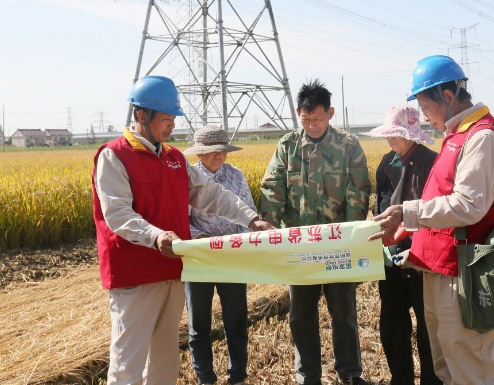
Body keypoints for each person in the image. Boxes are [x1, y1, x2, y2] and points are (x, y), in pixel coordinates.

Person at [92, 75, 273, 385]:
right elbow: (117, 213)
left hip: (172, 271)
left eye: (173, 118)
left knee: (164, 361)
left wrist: (250, 218)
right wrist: (155, 235)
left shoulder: (174, 158)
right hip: (134, 277)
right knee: (128, 365)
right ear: (141, 116)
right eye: (166, 119)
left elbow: (210, 194)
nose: (171, 125)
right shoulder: (114, 156)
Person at [371, 55, 494, 385]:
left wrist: (408, 214)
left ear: (448, 97)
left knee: (471, 369)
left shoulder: (481, 138)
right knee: (446, 368)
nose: (424, 117)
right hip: (442, 268)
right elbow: (443, 205)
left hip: (465, 272)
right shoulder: (458, 135)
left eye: (425, 107)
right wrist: (420, 250)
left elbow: (468, 206)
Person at [260, 79, 371, 385]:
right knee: (301, 316)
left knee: (344, 315)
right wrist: (269, 227)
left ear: (330, 113)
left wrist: (352, 238)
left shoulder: (348, 146)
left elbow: (358, 193)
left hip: (337, 246)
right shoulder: (288, 146)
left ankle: (350, 374)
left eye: (317, 119)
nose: (311, 124)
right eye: (305, 119)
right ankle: (308, 375)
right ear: (299, 114)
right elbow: (273, 190)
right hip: (301, 248)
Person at [363, 105, 441, 385]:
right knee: (393, 323)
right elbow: (381, 201)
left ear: (412, 134)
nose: (391, 139)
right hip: (390, 255)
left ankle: (433, 380)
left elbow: (437, 209)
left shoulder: (431, 161)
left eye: (396, 134)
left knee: (428, 324)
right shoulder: (386, 162)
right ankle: (401, 379)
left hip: (422, 256)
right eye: (389, 134)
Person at [183, 125, 255, 385]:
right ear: (199, 154)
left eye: (222, 151)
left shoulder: (236, 176)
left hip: (232, 257)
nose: (218, 156)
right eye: (211, 151)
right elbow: (180, 221)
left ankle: (238, 376)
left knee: (236, 320)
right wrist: (199, 238)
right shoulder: (187, 178)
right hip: (199, 258)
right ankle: (206, 378)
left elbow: (248, 211)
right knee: (198, 325)